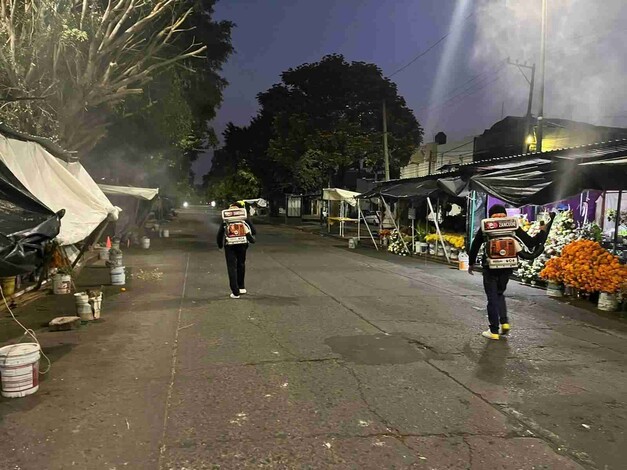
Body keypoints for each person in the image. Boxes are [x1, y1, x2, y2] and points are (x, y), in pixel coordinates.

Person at [467, 204, 552, 340]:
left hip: (490, 267)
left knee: (492, 298)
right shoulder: (512, 226)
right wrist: (542, 231)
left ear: (490, 215)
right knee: (500, 293)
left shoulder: (486, 227)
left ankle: (493, 330)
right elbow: (530, 243)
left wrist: (471, 263)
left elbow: (475, 246)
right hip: (507, 267)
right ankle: (504, 322)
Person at [217, 202, 256, 299]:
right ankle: (241, 287)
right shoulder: (244, 217)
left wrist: (220, 245)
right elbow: (254, 231)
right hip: (242, 244)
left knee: (231, 267)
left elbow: (220, 234)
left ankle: (235, 292)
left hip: (229, 245)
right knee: (241, 264)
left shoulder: (226, 219)